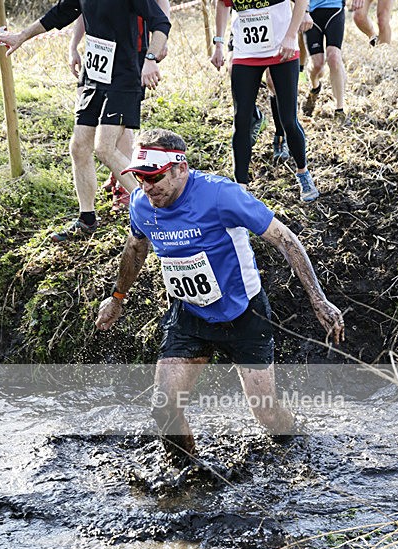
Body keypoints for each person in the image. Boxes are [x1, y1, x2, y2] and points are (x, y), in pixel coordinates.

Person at [94, 129, 345, 464]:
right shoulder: (142, 204)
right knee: (164, 409)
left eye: (154, 177)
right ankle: (189, 473)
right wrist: (117, 297)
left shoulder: (220, 195)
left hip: (243, 316)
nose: (147, 187)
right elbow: (136, 248)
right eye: (140, 177)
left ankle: (299, 448)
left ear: (180, 170)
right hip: (189, 315)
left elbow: (285, 239)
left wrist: (318, 300)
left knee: (267, 417)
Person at [0, 0, 170, 241]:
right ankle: (87, 220)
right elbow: (60, 14)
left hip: (125, 73)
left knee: (104, 148)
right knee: (79, 146)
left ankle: (157, 214)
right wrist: (22, 36)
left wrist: (150, 59)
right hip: (94, 72)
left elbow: (161, 21)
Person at [210, 0, 319, 202]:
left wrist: (290, 35)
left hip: (282, 50)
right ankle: (240, 188)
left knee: (288, 120)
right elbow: (222, 5)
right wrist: (218, 44)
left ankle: (303, 173)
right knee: (241, 120)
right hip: (246, 52)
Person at [68, 1, 170, 212]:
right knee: (87, 139)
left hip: (133, 52)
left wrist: (158, 44)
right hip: (98, 57)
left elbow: (160, 12)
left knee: (116, 133)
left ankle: (133, 193)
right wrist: (73, 45)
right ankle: (93, 209)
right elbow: (82, 9)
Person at [302, 0, 352, 122]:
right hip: (311, 13)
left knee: (334, 58)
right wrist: (303, 10)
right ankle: (315, 87)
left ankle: (339, 110)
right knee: (317, 65)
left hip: (335, 9)